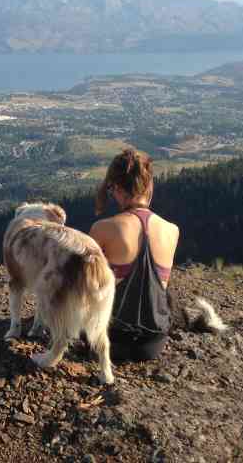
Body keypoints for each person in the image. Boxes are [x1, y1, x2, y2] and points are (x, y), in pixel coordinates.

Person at [89, 148, 179, 362]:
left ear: (118, 188)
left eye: (111, 188)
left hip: (110, 341)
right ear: (149, 185)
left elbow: (86, 286)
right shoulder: (172, 230)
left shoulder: (103, 228)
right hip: (154, 343)